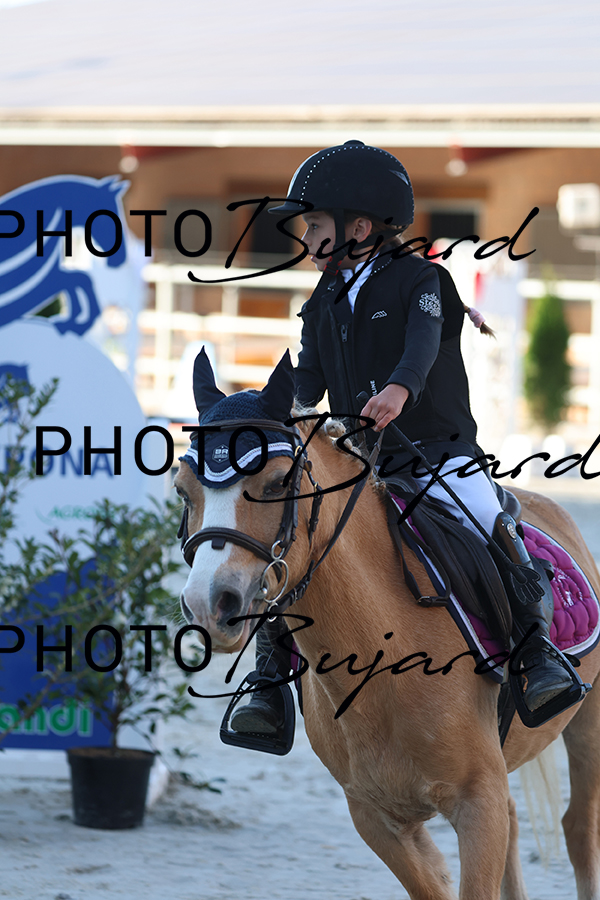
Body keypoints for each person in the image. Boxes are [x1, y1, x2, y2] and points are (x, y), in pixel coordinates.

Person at [230, 140, 579, 742]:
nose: (305, 238)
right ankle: (268, 682)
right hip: (360, 464)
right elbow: (306, 385)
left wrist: (399, 390)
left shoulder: (423, 279)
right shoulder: (321, 301)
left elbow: (422, 346)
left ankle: (535, 653)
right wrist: (266, 413)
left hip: (438, 456)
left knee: (485, 520)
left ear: (359, 228)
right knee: (290, 538)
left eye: (314, 226)